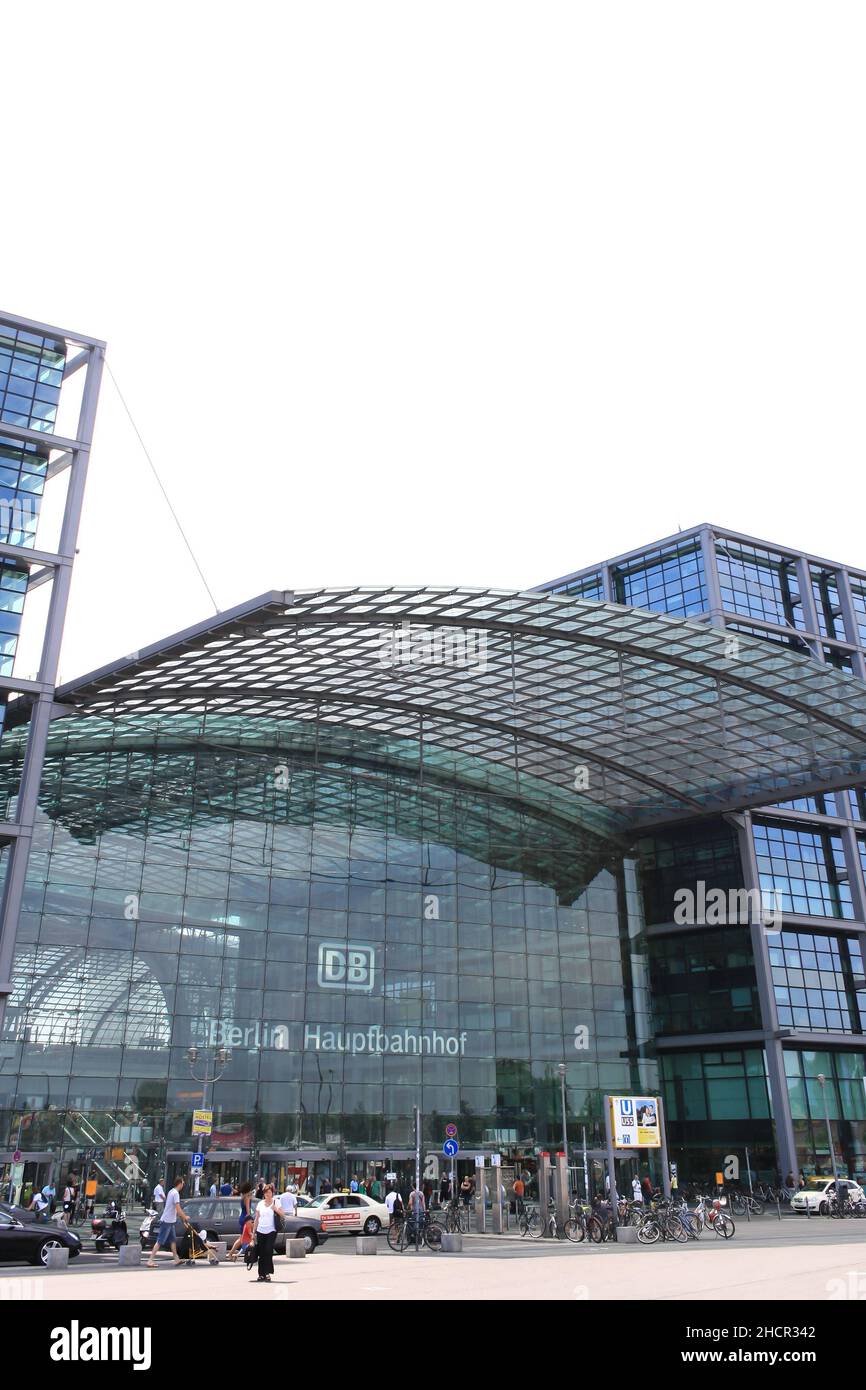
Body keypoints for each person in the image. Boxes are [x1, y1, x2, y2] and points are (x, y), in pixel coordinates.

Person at [147, 1177, 186, 1267]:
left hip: (170, 1220)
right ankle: (150, 1260)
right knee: (160, 1240)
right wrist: (184, 1217)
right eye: (183, 1183)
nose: (183, 1185)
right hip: (167, 1221)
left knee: (173, 1240)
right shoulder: (175, 1193)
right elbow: (177, 1207)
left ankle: (176, 1259)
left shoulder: (171, 1191)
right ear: (179, 1183)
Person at [251, 1184, 286, 1283]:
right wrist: (253, 1233)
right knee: (261, 1252)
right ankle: (261, 1274)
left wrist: (275, 1209)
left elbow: (283, 1215)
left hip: (271, 1231)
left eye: (269, 1192)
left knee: (268, 1250)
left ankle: (267, 1273)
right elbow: (257, 1219)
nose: (267, 1194)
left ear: (272, 1193)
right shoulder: (260, 1203)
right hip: (261, 1230)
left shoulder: (276, 1202)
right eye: (266, 1192)